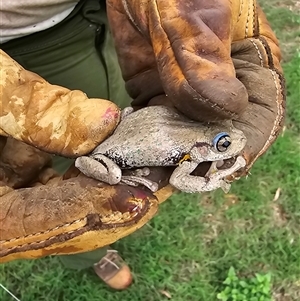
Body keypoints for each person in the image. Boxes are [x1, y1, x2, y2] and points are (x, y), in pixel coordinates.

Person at [0, 0, 285, 291]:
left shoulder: (193, 144)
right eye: (222, 145)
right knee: (73, 175)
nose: (233, 145)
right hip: (22, 47)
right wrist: (213, 177)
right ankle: (90, 255)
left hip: (99, 15)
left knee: (113, 101)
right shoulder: (190, 156)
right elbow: (180, 178)